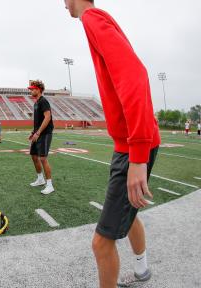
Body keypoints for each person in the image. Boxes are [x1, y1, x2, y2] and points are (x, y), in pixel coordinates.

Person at [63, 1, 161, 287]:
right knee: (128, 214)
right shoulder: (94, 20)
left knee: (101, 243)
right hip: (129, 144)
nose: (63, 4)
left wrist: (138, 157)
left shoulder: (93, 18)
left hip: (133, 146)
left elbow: (135, 75)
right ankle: (142, 270)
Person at [28, 80, 55, 195]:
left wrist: (38, 133)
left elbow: (47, 117)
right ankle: (40, 179)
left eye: (32, 89)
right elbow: (38, 120)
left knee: (43, 158)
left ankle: (50, 185)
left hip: (45, 133)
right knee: (34, 156)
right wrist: (33, 132)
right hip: (37, 133)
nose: (31, 91)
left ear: (38, 89)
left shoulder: (43, 101)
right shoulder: (36, 103)